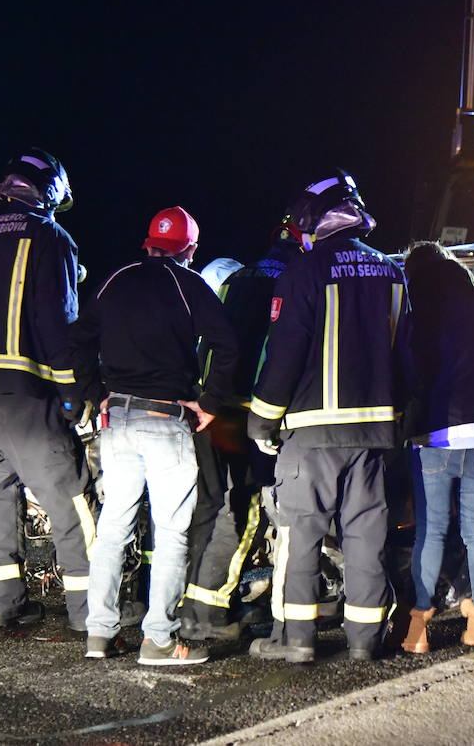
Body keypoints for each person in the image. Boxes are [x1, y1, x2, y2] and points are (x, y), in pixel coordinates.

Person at [245, 172, 411, 663]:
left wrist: (261, 419)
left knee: (302, 534)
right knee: (366, 535)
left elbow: (284, 353)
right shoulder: (392, 271)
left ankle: (297, 641)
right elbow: (407, 357)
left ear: (315, 219)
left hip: (312, 433)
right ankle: (364, 642)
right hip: (375, 432)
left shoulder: (304, 270)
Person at [70, 206, 239, 666]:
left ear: (148, 242)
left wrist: (95, 393)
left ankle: (99, 634)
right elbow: (227, 345)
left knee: (112, 531)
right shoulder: (191, 285)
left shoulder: (116, 278)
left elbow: (77, 340)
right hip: (167, 422)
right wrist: (209, 403)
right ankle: (159, 641)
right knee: (170, 535)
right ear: (191, 250)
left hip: (119, 422)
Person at [0, 148, 94, 632]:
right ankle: (89, 613)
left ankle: (2, 605)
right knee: (69, 499)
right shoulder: (51, 236)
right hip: (31, 393)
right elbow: (59, 319)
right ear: (51, 190)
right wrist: (73, 387)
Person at [179, 235, 298, 643]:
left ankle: (190, 602)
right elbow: (285, 352)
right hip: (252, 413)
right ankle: (210, 610)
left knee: (209, 506)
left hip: (211, 408)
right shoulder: (296, 283)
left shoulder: (236, 280)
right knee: (243, 511)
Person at [396, 241, 474, 653]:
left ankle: (418, 629)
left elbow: (409, 371)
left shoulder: (417, 314)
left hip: (435, 434)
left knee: (432, 531)